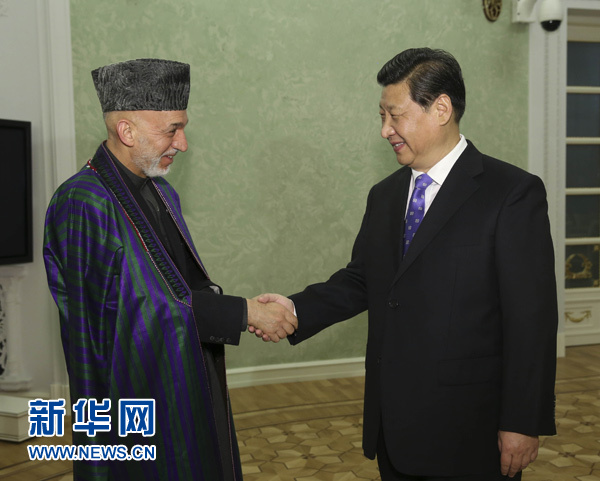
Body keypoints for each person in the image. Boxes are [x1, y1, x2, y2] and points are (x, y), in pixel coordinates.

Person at [256, 48, 558, 480]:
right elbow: (363, 279)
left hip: (469, 427)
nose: (385, 130)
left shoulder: (510, 193)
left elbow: (531, 319)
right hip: (394, 425)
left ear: (441, 109)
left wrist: (522, 421)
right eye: (381, 116)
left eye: (395, 116)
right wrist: (295, 309)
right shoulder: (385, 195)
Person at [43, 58, 297, 481]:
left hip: (183, 375)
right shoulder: (82, 202)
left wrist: (239, 309)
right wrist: (243, 313)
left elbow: (179, 290)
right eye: (172, 130)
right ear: (127, 131)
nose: (183, 144)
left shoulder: (162, 192)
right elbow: (120, 319)